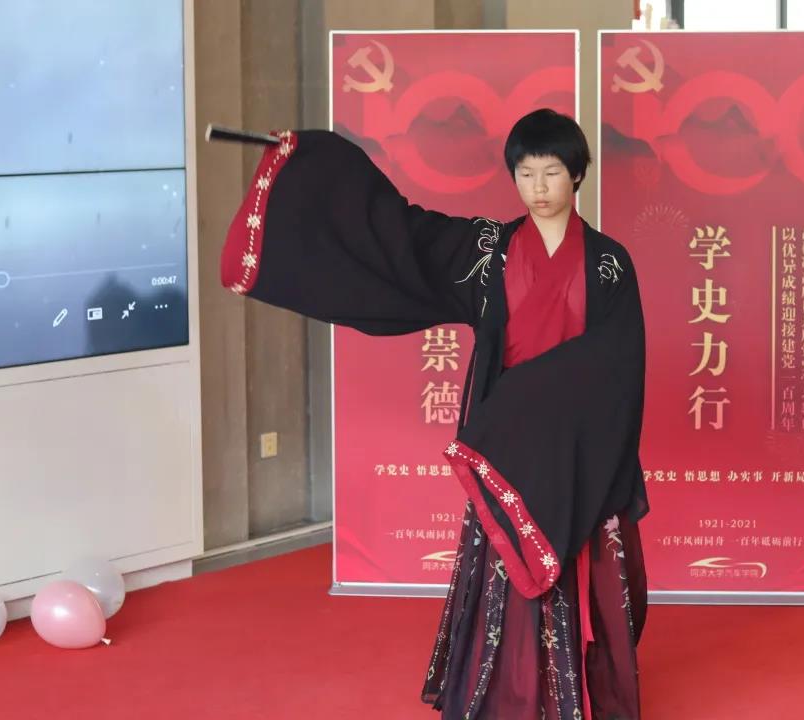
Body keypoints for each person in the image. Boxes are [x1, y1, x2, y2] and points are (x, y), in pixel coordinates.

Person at [221, 109, 648, 719]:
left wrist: (533, 398)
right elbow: (400, 236)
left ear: (578, 174)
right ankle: (510, 699)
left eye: (552, 172)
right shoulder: (488, 251)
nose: (538, 187)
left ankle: (578, 701)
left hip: (579, 448)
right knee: (508, 574)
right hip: (508, 448)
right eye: (526, 173)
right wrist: (311, 157)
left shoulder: (609, 263)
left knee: (582, 566)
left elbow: (619, 362)